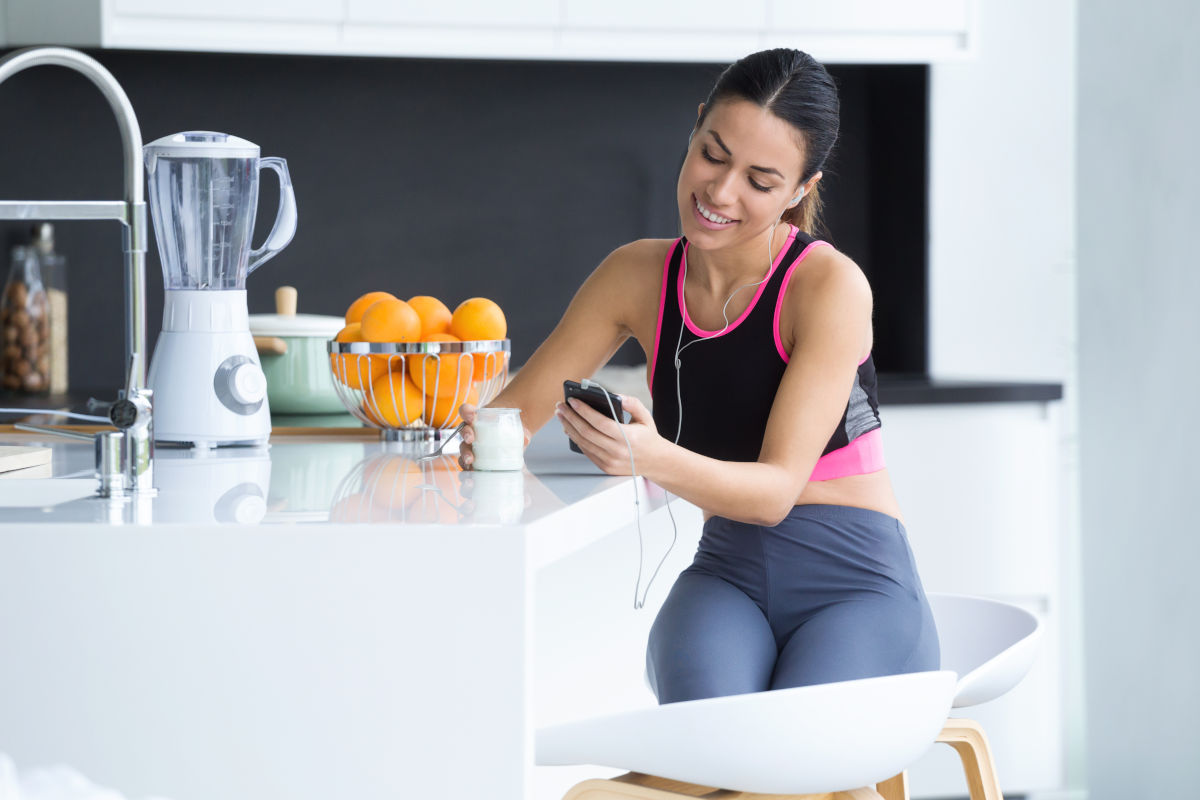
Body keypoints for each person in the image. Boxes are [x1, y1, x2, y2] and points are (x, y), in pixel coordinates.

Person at [458, 48, 939, 704]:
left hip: (854, 582)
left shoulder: (827, 287)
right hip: (728, 574)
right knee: (704, 737)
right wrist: (466, 435)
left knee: (786, 756)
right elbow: (508, 421)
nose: (720, 192)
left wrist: (648, 457)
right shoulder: (636, 275)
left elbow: (774, 495)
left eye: (761, 181)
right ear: (695, 128)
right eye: (714, 154)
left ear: (801, 189)